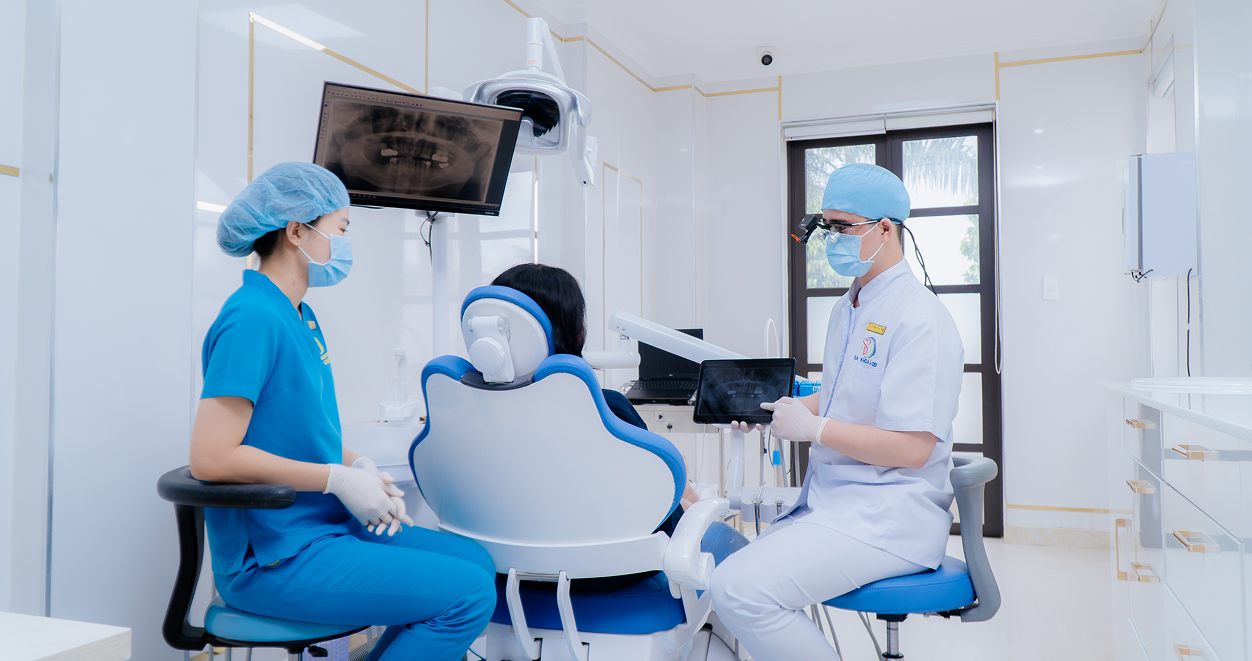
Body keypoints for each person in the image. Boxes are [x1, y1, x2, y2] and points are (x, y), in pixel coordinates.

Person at [189, 162, 495, 661]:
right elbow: (211, 458)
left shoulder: (297, 314)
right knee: (468, 595)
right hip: (275, 555)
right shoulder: (252, 319)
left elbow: (297, 430)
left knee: (475, 563)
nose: (343, 244)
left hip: (320, 530)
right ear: (295, 231)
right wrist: (337, 480)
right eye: (340, 229)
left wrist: (356, 466)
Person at [709, 163, 964, 661]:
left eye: (844, 227)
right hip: (839, 504)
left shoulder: (921, 319)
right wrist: (774, 410)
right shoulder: (848, 308)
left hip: (889, 515)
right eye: (827, 227)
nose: (832, 240)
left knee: (739, 589)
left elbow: (913, 449)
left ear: (885, 229)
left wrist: (814, 429)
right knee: (726, 579)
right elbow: (844, 393)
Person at [488, 263, 744, 589]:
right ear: (572, 330)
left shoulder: (477, 417)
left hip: (513, 578)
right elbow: (669, 512)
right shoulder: (609, 408)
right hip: (615, 576)